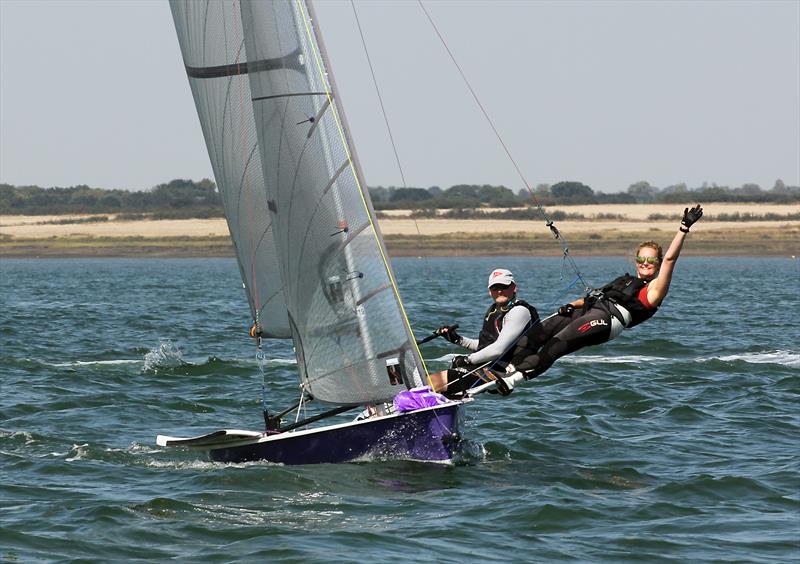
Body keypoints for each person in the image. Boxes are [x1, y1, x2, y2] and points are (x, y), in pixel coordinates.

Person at [508, 205, 703, 380]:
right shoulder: (625, 281)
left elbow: (670, 259)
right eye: (641, 259)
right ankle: (506, 365)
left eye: (651, 261)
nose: (645, 264)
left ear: (658, 264)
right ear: (636, 261)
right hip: (589, 310)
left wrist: (683, 229)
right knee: (538, 332)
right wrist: (570, 306)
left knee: (557, 344)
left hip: (608, 321)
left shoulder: (655, 289)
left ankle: (514, 378)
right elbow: (594, 297)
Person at [429, 268, 539, 397]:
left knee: (430, 383)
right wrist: (457, 339)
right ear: (489, 291)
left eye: (504, 286)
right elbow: (486, 347)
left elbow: (498, 349)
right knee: (423, 382)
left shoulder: (519, 311)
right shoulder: (494, 311)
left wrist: (467, 359)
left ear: (514, 287)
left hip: (499, 372)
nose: (499, 291)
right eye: (495, 287)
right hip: (484, 368)